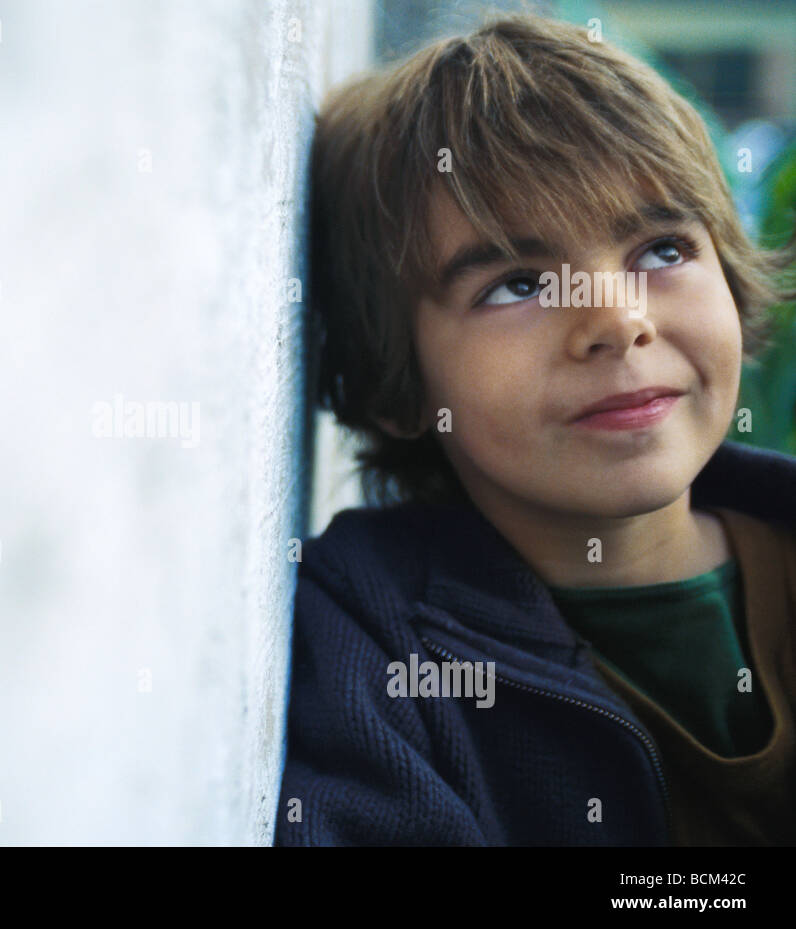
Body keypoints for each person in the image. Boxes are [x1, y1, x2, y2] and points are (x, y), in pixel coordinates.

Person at [275, 12, 796, 845]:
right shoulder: (369, 643)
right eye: (517, 284)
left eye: (662, 250)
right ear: (396, 380)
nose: (616, 322)